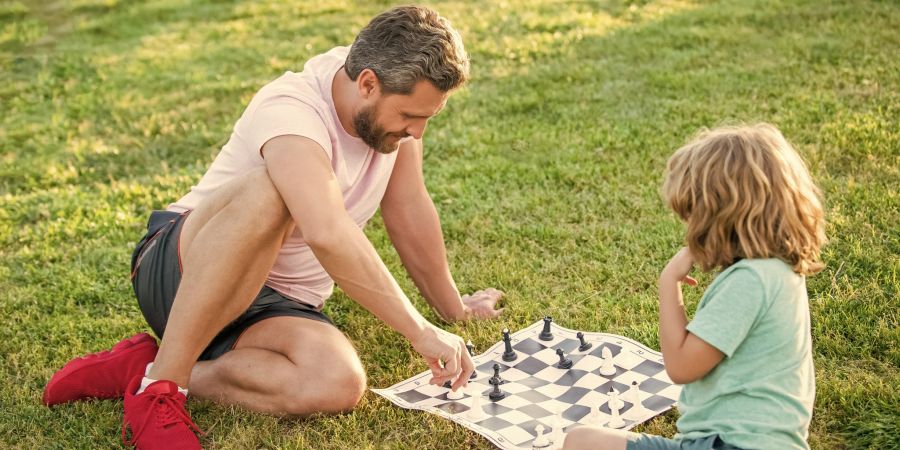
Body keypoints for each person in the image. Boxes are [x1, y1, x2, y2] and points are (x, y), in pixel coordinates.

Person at [42, 6, 503, 449]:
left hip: (276, 304)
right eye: (409, 117)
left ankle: (143, 367)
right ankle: (161, 388)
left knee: (338, 382)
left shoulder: (390, 105)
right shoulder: (292, 110)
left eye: (426, 119)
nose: (417, 133)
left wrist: (453, 309)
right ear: (367, 83)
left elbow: (406, 207)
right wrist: (418, 330)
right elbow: (328, 232)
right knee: (274, 189)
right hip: (182, 269)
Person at [564, 124, 826, 450]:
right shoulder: (777, 272)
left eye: (692, 215)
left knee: (581, 442)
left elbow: (681, 366)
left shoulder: (750, 282)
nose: (689, 228)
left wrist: (668, 282)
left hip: (730, 445)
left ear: (717, 217)